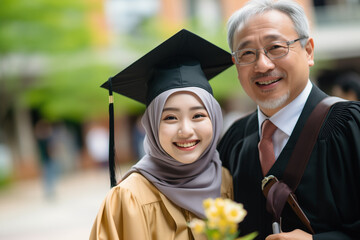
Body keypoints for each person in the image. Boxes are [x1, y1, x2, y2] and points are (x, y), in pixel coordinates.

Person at [218, 0, 360, 239]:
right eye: (247, 53)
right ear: (236, 64)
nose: (262, 65)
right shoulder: (234, 141)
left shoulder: (352, 127)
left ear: (308, 51)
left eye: (275, 47)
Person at [90, 29, 234, 240]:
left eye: (198, 115)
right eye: (170, 118)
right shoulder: (128, 198)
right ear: (151, 125)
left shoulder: (226, 180)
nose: (185, 130)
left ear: (215, 118)